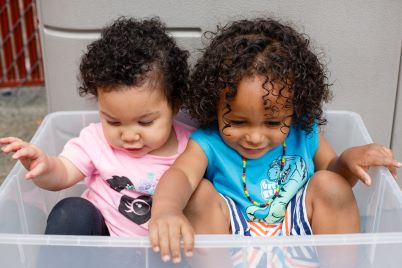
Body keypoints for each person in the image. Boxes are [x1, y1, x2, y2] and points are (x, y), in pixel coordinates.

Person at [148, 18, 402, 263]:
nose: (255, 137)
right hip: (231, 239)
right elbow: (180, 175)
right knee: (198, 194)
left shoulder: (304, 131)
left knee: (330, 183)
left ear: (294, 108)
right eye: (237, 122)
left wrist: (346, 161)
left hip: (300, 234)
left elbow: (336, 181)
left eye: (272, 123)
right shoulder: (208, 142)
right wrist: (166, 211)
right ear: (214, 105)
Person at [0, 17, 193, 237]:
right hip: (101, 245)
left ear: (175, 105)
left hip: (163, 249)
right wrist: (44, 167)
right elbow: (63, 173)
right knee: (72, 211)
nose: (129, 135)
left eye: (145, 122)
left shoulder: (192, 148)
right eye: (113, 121)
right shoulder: (96, 140)